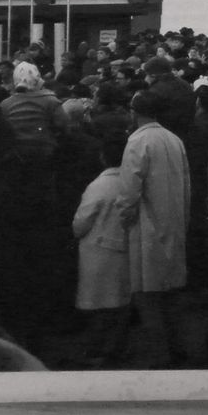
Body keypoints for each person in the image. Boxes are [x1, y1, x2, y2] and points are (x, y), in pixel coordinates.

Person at [115, 90, 191, 368]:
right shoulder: (174, 139)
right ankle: (180, 348)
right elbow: (187, 184)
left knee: (148, 298)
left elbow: (128, 190)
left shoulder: (137, 141)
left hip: (145, 227)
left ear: (135, 112)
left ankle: (161, 356)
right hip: (175, 221)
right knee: (172, 296)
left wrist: (124, 219)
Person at [71, 134, 133, 367]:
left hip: (98, 251)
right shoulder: (133, 182)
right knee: (121, 302)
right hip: (124, 246)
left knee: (98, 305)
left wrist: (76, 232)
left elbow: (82, 221)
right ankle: (117, 348)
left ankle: (95, 351)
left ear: (102, 157)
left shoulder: (98, 185)